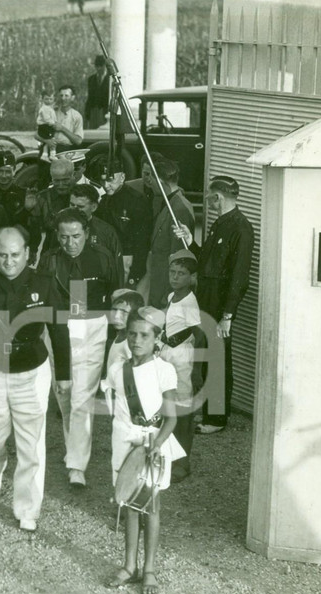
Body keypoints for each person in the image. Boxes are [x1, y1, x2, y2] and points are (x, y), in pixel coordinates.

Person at [0, 227, 70, 532]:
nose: (8, 262)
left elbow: (59, 330)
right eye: (2, 255)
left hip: (31, 369)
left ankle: (27, 509)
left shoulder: (43, 284)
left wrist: (65, 375)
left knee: (31, 445)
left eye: (15, 255)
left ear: (27, 254)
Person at [102, 307, 184, 594]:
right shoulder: (116, 370)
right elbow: (115, 407)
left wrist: (156, 445)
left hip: (153, 443)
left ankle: (148, 569)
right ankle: (128, 566)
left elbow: (171, 418)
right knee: (127, 503)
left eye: (144, 335)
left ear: (156, 338)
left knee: (150, 506)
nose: (136, 340)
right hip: (123, 439)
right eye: (131, 334)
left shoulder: (164, 371)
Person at [37, 208, 122, 488]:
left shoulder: (103, 257)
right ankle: (73, 448)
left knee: (81, 399)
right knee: (64, 394)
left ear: (87, 233)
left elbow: (116, 296)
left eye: (76, 236)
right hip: (59, 331)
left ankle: (76, 465)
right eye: (63, 237)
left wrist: (113, 339)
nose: (70, 243)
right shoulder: (49, 260)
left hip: (93, 329)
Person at [183, 175, 254, 435]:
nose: (208, 202)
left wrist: (228, 315)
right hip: (207, 298)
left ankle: (216, 418)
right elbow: (206, 261)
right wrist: (190, 240)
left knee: (219, 358)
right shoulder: (219, 224)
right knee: (209, 355)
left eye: (210, 197)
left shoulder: (241, 228)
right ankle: (210, 411)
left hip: (220, 302)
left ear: (218, 198)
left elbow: (239, 276)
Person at [159, 250, 201, 482]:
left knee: (183, 411)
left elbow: (199, 334)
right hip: (167, 354)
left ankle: (183, 463)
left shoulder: (189, 301)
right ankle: (168, 456)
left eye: (181, 274)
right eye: (172, 272)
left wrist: (196, 370)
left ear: (192, 277)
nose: (175, 277)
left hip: (183, 359)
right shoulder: (171, 297)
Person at [142, 156, 194, 308]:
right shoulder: (167, 202)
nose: (149, 184)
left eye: (152, 179)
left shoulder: (178, 210)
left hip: (166, 291)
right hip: (158, 284)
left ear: (160, 182)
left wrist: (170, 296)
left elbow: (178, 258)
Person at [97, 160, 152, 286]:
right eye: (102, 180)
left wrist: (135, 273)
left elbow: (142, 241)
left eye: (111, 180)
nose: (106, 185)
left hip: (126, 261)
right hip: (108, 257)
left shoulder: (137, 202)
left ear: (122, 177)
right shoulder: (104, 200)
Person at [29, 157, 75, 264]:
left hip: (77, 251)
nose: (61, 185)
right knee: (48, 279)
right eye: (56, 181)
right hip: (50, 251)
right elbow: (34, 226)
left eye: (65, 180)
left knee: (77, 280)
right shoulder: (42, 198)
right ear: (52, 179)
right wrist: (33, 250)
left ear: (73, 177)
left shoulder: (81, 195)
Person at [69, 183, 123, 267]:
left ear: (93, 207)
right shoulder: (61, 228)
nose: (75, 210)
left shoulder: (107, 232)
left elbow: (117, 266)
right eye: (72, 205)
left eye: (80, 206)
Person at [105, 288, 145, 374]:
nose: (116, 316)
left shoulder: (130, 343)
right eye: (114, 310)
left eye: (124, 312)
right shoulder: (120, 336)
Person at [0, 151, 27, 225]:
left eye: (8, 172)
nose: (4, 176)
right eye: (0, 171)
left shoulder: (24, 194)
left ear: (14, 170)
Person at [52, 84, 84, 150]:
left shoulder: (77, 116)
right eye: (61, 95)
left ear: (72, 98)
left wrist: (62, 128)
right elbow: (38, 134)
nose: (63, 98)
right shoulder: (52, 113)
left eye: (66, 96)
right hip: (51, 149)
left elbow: (78, 141)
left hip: (66, 150)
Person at [84, 55, 111, 129]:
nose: (98, 68)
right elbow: (90, 97)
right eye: (97, 66)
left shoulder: (110, 79)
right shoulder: (91, 79)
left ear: (104, 66)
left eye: (100, 66)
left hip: (104, 111)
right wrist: (87, 112)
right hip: (94, 111)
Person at [35, 89, 58, 162]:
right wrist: (53, 123)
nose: (49, 101)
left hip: (47, 126)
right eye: (46, 99)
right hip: (45, 126)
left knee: (48, 141)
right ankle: (51, 155)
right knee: (50, 140)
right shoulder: (44, 108)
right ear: (42, 99)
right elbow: (47, 118)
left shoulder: (50, 108)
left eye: (50, 99)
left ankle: (45, 155)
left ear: (53, 99)